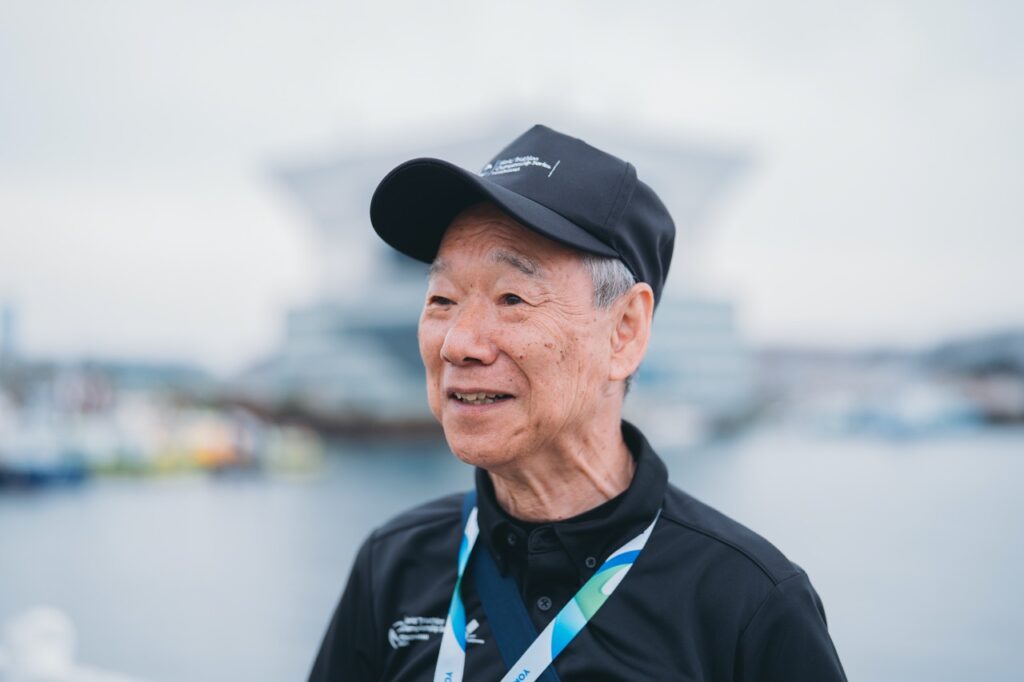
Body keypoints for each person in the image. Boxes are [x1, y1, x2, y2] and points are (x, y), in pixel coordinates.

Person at [309, 124, 846, 681]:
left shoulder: (748, 601)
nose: (457, 343)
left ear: (625, 331)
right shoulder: (394, 565)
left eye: (511, 297)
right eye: (441, 299)